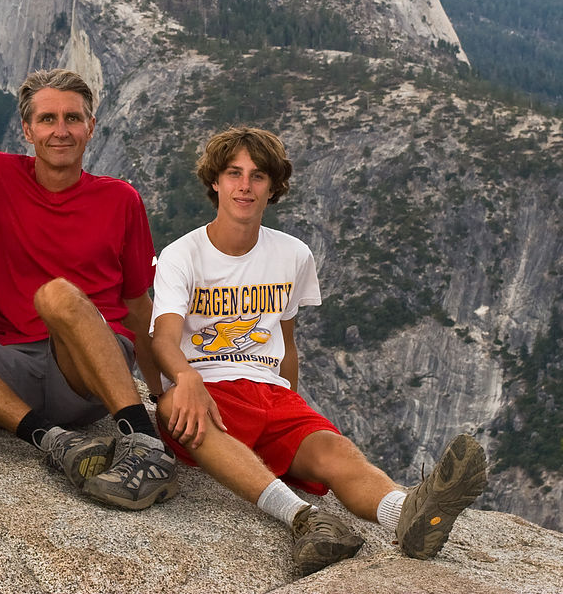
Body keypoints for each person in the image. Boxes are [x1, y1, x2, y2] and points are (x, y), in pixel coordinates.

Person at [150, 126, 487, 575]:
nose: (244, 186)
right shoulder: (181, 255)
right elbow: (162, 337)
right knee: (181, 412)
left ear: (273, 187)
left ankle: (408, 514)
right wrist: (186, 378)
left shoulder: (293, 255)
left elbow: (286, 341)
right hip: (209, 387)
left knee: (335, 450)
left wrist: (291, 400)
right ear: (215, 181)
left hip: (270, 392)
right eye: (234, 173)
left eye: (258, 176)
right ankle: (303, 518)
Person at [0, 68, 177, 510]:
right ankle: (54, 441)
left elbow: (138, 306)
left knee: (57, 296)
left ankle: (144, 444)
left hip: (86, 367)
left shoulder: (121, 199)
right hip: (13, 366)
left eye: (72, 119)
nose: (60, 131)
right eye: (47, 120)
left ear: (91, 128)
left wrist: (161, 394)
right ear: (27, 130)